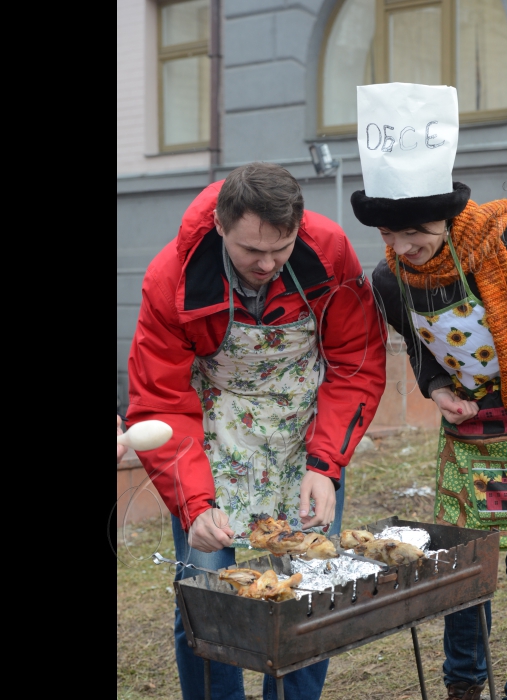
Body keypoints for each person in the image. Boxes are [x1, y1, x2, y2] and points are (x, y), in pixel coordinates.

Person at [351, 83, 507, 700]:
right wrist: (434, 386)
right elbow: (425, 346)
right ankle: (463, 685)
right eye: (391, 235)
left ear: (446, 217)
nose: (403, 247)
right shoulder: (390, 278)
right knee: (460, 564)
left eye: (416, 233)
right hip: (472, 434)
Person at [126, 162, 386, 700]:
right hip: (214, 437)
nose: (267, 264)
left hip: (302, 433)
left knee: (310, 593)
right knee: (207, 598)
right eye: (251, 251)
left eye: (282, 247)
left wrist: (325, 465)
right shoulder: (169, 277)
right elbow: (162, 400)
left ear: (299, 227)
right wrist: (194, 504)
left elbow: (355, 361)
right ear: (221, 226)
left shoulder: (330, 252)